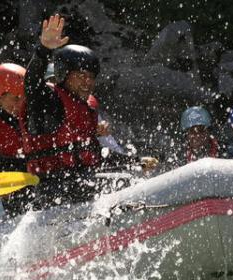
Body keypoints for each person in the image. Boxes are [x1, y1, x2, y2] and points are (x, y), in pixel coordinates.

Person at [21, 14, 156, 206]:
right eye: (80, 76)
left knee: (126, 177)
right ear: (64, 75)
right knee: (120, 183)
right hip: (53, 189)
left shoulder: (86, 109)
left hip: (80, 182)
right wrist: (43, 51)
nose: (88, 82)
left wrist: (135, 161)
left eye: (91, 77)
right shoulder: (48, 103)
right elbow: (32, 85)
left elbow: (96, 154)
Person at [0, 63, 33, 216]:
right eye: (16, 98)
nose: (20, 105)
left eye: (23, 99)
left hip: (26, 193)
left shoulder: (25, 119)